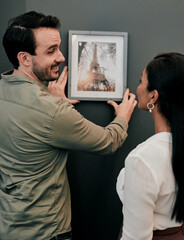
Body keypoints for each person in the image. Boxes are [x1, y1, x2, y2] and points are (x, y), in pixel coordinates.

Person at [0, 11, 137, 240]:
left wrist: (51, 98)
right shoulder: (52, 111)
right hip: (46, 231)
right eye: (51, 51)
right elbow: (108, 141)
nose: (62, 57)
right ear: (24, 58)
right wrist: (122, 116)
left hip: (9, 226)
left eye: (59, 48)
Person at [116, 52, 184, 240]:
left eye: (141, 81)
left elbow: (136, 238)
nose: (137, 88)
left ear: (153, 96)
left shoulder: (142, 159)